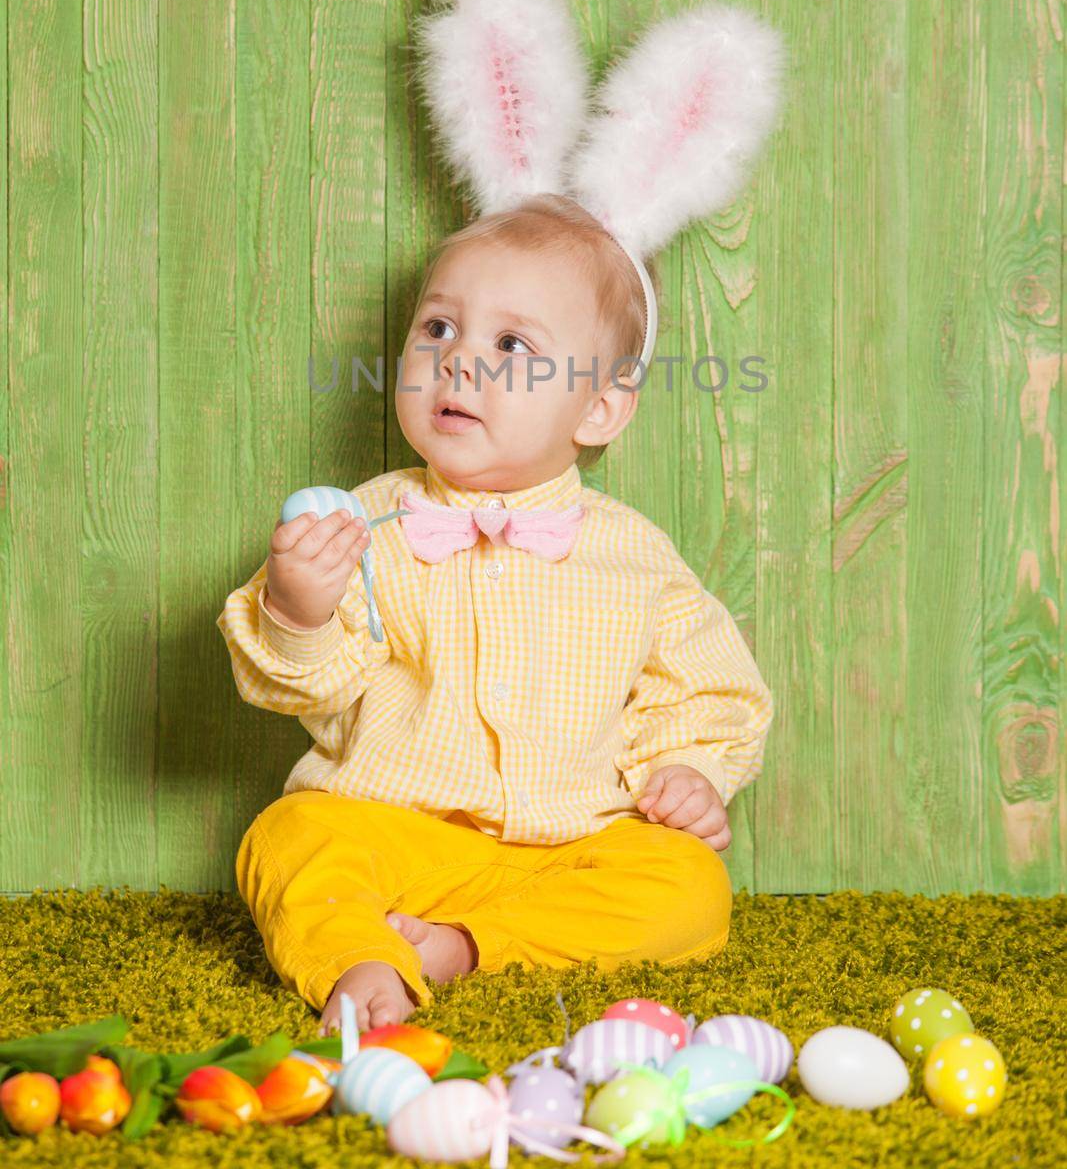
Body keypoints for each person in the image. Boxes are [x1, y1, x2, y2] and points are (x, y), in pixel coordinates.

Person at [217, 193, 775, 1036]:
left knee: (688, 886)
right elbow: (311, 694)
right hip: (400, 838)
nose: (458, 364)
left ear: (599, 409)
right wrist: (298, 608)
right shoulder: (362, 523)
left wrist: (688, 772)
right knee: (288, 835)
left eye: (511, 345)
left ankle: (463, 947)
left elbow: (707, 686)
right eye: (438, 329)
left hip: (570, 848)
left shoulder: (631, 554)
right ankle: (359, 958)